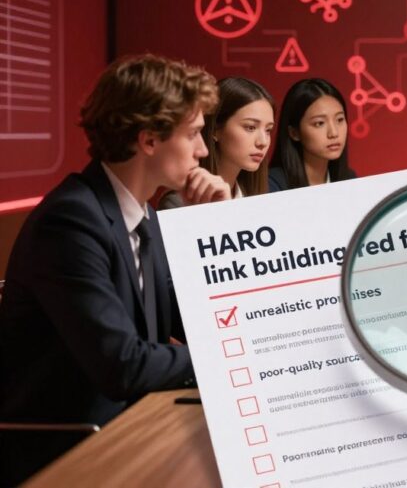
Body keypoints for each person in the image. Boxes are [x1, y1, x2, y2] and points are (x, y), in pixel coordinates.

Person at [0, 55, 229, 484]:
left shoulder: (145, 215)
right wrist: (222, 358)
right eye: (195, 134)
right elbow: (123, 366)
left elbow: (202, 323)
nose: (203, 151)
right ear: (148, 140)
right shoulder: (70, 221)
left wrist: (214, 228)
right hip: (66, 455)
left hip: (129, 426)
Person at [158, 77, 275, 208]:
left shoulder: (260, 202)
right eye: (250, 127)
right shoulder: (180, 203)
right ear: (215, 129)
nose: (263, 142)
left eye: (268, 130)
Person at [268, 78, 355, 191]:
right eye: (319, 123)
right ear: (294, 133)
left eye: (339, 120)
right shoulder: (273, 184)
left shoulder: (350, 179)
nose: (334, 133)